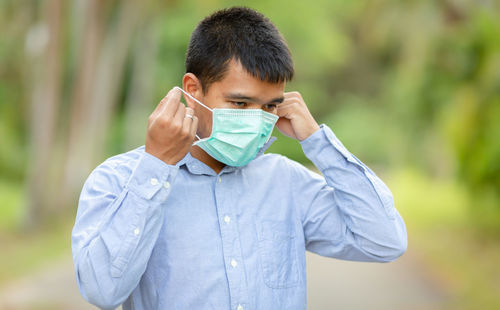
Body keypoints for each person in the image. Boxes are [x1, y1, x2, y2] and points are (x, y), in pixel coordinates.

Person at [72, 6, 407, 310]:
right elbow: (102, 291)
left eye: (270, 106)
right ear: (193, 90)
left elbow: (385, 240)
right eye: (240, 104)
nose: (256, 119)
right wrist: (157, 167)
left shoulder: (288, 182)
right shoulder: (119, 179)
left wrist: (317, 140)